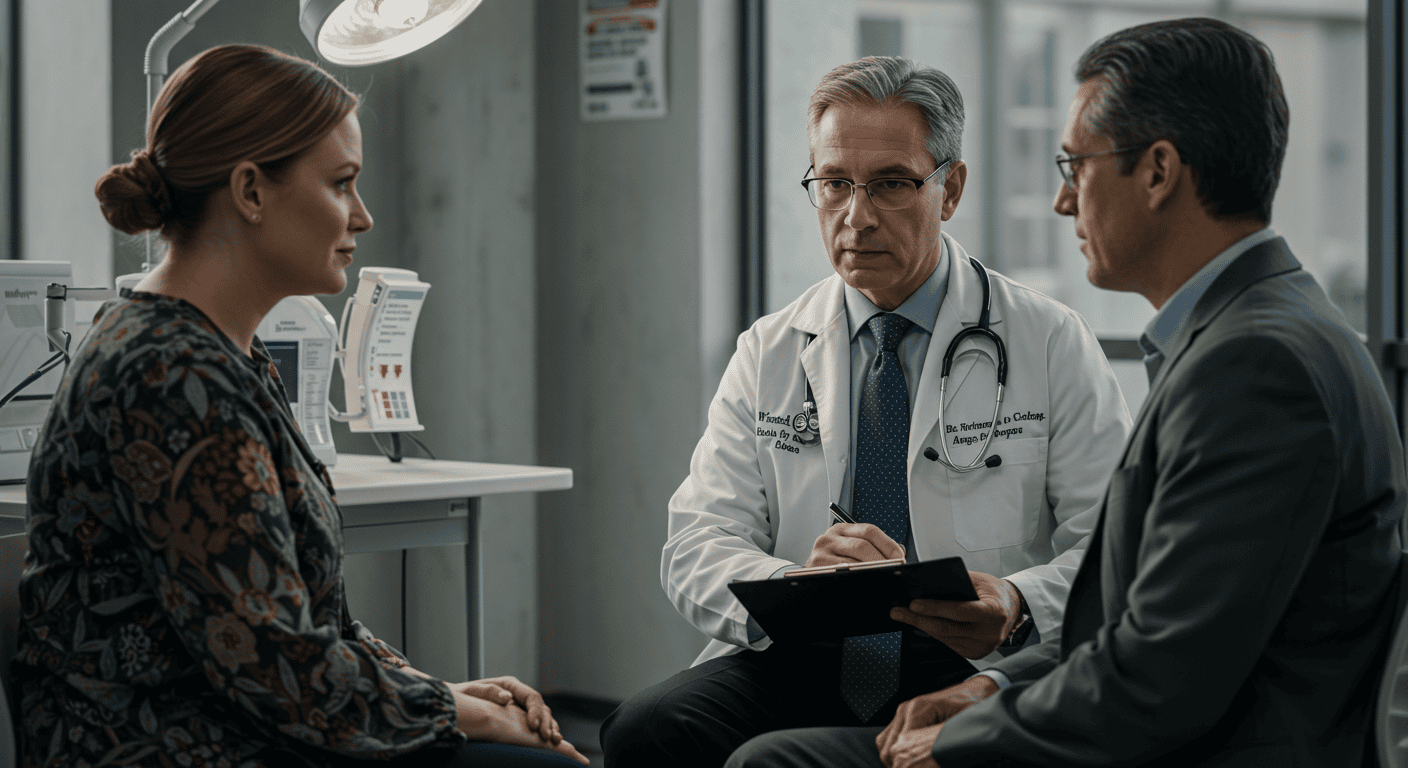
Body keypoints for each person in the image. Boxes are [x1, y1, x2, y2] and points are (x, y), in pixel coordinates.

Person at [723, 17, 1406, 768]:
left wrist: (968, 731)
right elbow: (1148, 626)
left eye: (1074, 165)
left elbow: (1157, 679)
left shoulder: (1254, 368)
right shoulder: (1263, 331)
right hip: (1121, 706)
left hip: (1206, 747)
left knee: (773, 763)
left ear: (1158, 171)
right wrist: (994, 690)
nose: (1060, 202)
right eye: (834, 183)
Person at [10, 44, 587, 768]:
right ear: (251, 192)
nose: (364, 217)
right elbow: (278, 665)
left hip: (248, 720)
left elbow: (304, 626)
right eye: (342, 184)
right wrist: (451, 712)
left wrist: (431, 689)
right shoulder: (170, 374)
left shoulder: (214, 354)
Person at [600, 56, 1132, 768]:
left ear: (951, 189)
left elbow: (1113, 549)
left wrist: (1015, 601)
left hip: (971, 660)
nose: (857, 215)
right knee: (646, 729)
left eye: (891, 184)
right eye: (834, 184)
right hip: (808, 648)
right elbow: (697, 542)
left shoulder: (1048, 339)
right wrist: (794, 587)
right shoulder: (772, 347)